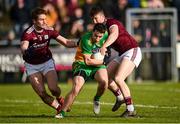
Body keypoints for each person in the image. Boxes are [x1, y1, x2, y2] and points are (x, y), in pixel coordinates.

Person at [20, 7, 78, 117]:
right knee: (42, 93)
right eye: (41, 19)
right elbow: (23, 47)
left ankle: (60, 98)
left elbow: (65, 42)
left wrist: (79, 43)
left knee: (54, 89)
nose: (45, 22)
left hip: (47, 62)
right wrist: (26, 51)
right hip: (32, 66)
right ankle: (59, 108)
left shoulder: (49, 30)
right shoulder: (28, 33)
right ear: (34, 21)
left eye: (45, 19)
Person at [90, 6, 142, 117]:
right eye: (92, 19)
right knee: (105, 78)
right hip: (122, 54)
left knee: (119, 78)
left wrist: (104, 46)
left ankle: (130, 109)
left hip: (132, 50)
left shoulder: (111, 22)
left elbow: (114, 34)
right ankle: (120, 97)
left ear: (102, 16)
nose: (94, 21)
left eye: (96, 18)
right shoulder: (100, 30)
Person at [56, 23, 109, 118]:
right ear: (92, 32)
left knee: (104, 82)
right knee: (77, 88)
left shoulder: (105, 35)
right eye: (95, 36)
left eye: (100, 36)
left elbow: (111, 38)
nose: (97, 39)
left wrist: (106, 50)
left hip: (97, 63)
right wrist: (103, 61)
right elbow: (88, 61)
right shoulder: (86, 40)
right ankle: (62, 112)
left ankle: (96, 99)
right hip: (82, 64)